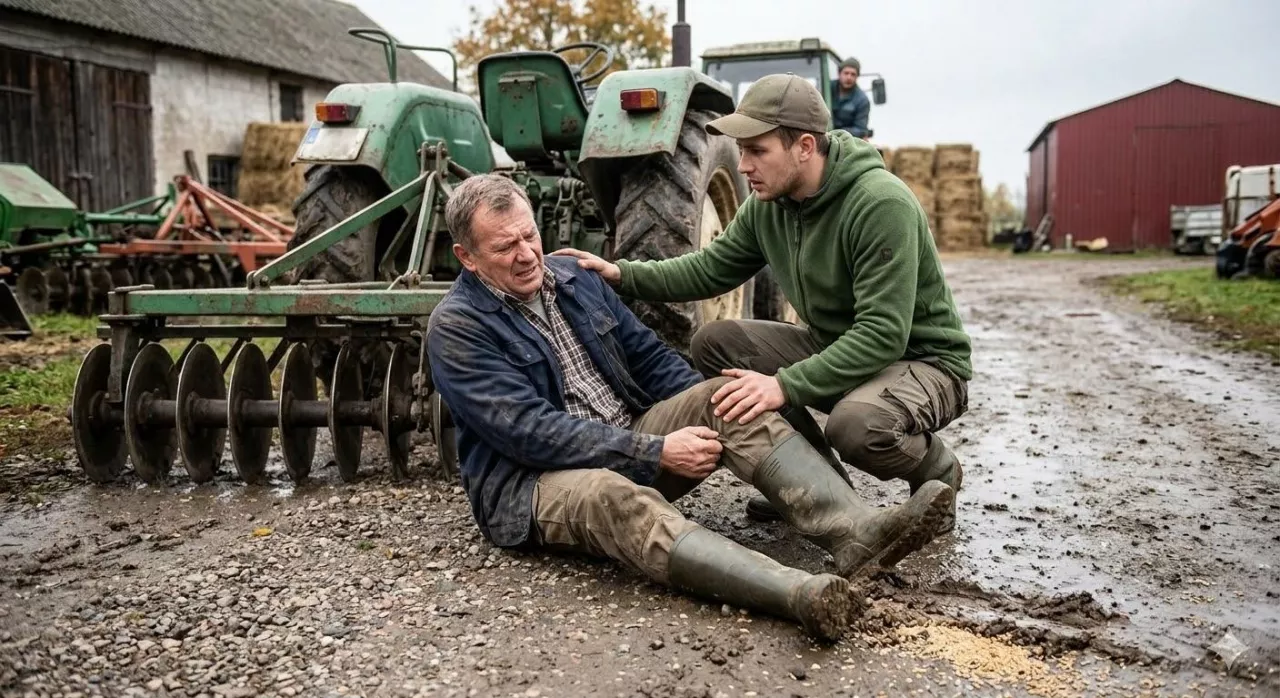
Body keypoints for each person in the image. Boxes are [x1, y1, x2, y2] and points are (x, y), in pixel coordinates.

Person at [425, 173, 954, 643]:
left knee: (721, 395)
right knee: (608, 494)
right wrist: (654, 450)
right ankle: (799, 594)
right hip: (535, 483)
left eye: (530, 235)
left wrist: (704, 416)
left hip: (628, 438)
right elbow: (528, 433)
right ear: (467, 257)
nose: (527, 255)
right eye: (504, 247)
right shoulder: (458, 329)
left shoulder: (572, 278)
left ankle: (856, 534)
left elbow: (650, 357)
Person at [552, 73, 972, 534]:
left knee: (856, 427)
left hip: (924, 362)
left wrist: (783, 385)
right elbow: (709, 269)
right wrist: (622, 273)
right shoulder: (768, 204)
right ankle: (821, 486)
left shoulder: (879, 203)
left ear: (805, 147)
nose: (744, 165)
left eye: (757, 151)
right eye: (742, 150)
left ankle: (938, 470)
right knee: (716, 341)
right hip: (842, 346)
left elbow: (883, 334)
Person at [831, 57, 871, 138]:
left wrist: (837, 132)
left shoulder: (862, 100)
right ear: (839, 74)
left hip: (845, 140)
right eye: (846, 73)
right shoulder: (826, 88)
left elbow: (860, 129)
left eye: (853, 74)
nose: (849, 77)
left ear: (857, 77)